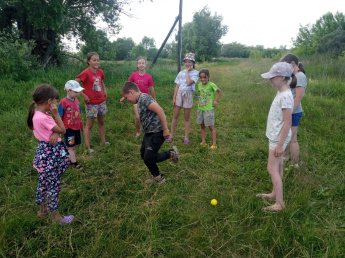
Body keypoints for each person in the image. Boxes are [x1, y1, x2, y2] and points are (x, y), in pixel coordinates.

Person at [27, 84, 74, 224]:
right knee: (53, 186)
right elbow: (63, 129)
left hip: (42, 154)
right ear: (49, 102)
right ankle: (56, 217)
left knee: (43, 183)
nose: (56, 103)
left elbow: (52, 129)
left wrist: (54, 131)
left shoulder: (36, 114)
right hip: (51, 155)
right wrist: (55, 114)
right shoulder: (46, 117)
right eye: (55, 100)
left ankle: (43, 211)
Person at [121, 82, 180, 184]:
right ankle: (157, 177)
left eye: (126, 98)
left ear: (131, 92)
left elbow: (160, 110)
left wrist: (166, 129)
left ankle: (171, 153)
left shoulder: (144, 98)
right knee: (144, 154)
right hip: (149, 131)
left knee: (149, 157)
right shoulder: (139, 99)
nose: (128, 100)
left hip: (157, 131)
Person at [257, 62, 294, 212]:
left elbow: (288, 123)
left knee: (271, 169)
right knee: (277, 168)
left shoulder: (285, 96)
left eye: (273, 77)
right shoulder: (282, 92)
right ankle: (274, 194)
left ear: (282, 77)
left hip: (278, 138)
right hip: (276, 137)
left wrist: (280, 145)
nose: (270, 79)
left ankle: (279, 204)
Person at [75, 52, 109, 153]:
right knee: (89, 125)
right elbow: (75, 82)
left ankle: (103, 141)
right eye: (94, 60)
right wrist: (83, 94)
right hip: (91, 103)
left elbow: (101, 81)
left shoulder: (100, 71)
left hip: (101, 101)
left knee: (101, 122)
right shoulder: (85, 73)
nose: (96, 62)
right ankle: (88, 147)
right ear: (88, 61)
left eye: (98, 60)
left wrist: (105, 90)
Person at [280, 54, 307, 168]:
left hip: (294, 112)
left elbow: (298, 97)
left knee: (292, 139)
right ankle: (285, 157)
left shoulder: (300, 76)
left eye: (286, 65)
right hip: (287, 110)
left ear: (292, 63)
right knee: (284, 135)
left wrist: (289, 112)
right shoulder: (292, 75)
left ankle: (295, 164)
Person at [167, 52, 199, 144]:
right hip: (179, 94)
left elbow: (189, 82)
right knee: (175, 115)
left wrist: (188, 72)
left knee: (186, 117)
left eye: (190, 62)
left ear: (193, 63)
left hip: (188, 94)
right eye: (186, 62)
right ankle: (171, 135)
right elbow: (177, 86)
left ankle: (186, 137)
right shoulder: (181, 72)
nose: (187, 64)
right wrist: (174, 98)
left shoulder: (196, 73)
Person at [120, 56, 156, 137]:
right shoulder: (134, 75)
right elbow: (127, 87)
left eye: (143, 63)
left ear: (145, 65)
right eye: (139, 63)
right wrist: (124, 97)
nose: (141, 65)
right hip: (136, 100)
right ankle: (138, 132)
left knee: (146, 117)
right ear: (137, 65)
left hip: (146, 100)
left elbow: (152, 89)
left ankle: (147, 129)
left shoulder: (148, 77)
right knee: (137, 117)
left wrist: (154, 100)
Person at [58, 80, 85, 170]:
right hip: (68, 128)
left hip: (77, 127)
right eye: (75, 92)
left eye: (78, 92)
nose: (77, 94)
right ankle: (74, 162)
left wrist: (82, 126)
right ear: (68, 90)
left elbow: (79, 115)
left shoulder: (77, 101)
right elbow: (59, 116)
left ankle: (67, 158)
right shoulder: (63, 102)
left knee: (74, 145)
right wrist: (60, 129)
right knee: (71, 146)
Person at [196, 68, 222, 149]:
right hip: (201, 108)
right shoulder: (199, 85)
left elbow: (219, 91)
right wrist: (200, 97)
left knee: (211, 127)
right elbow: (202, 93)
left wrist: (215, 101)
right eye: (201, 77)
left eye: (204, 77)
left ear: (208, 76)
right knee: (202, 125)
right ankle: (203, 141)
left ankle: (214, 144)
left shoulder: (211, 85)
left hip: (208, 109)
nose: (202, 79)